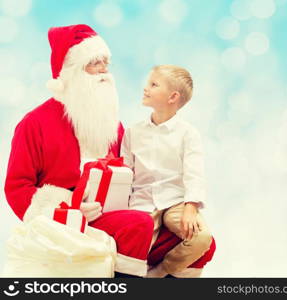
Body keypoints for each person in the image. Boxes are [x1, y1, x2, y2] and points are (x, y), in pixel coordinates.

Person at [4, 24, 154, 277]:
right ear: (71, 72)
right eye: (94, 64)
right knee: (138, 225)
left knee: (185, 239)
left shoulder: (112, 125)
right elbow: (17, 187)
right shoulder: (34, 123)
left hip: (114, 213)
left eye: (105, 63)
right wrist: (65, 208)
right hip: (67, 219)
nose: (104, 71)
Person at [121, 65, 214, 278]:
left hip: (175, 202)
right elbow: (125, 172)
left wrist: (191, 207)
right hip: (142, 202)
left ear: (173, 97)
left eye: (153, 85)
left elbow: (194, 173)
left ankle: (159, 273)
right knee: (134, 243)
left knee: (202, 237)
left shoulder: (188, 134)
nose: (145, 89)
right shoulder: (133, 132)